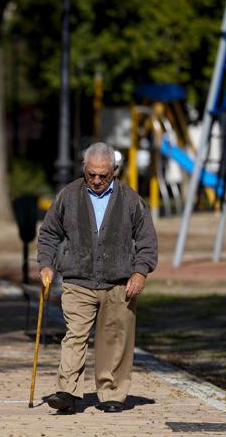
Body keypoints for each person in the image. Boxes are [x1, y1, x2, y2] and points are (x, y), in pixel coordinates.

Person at [36, 142, 158, 414]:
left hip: (119, 283)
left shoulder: (131, 200)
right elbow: (48, 234)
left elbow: (147, 242)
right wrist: (45, 264)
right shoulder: (68, 196)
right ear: (84, 168)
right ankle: (67, 391)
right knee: (75, 335)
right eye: (91, 174)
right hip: (78, 281)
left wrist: (140, 272)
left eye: (103, 175)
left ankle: (112, 394)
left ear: (114, 171)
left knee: (114, 338)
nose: (96, 180)